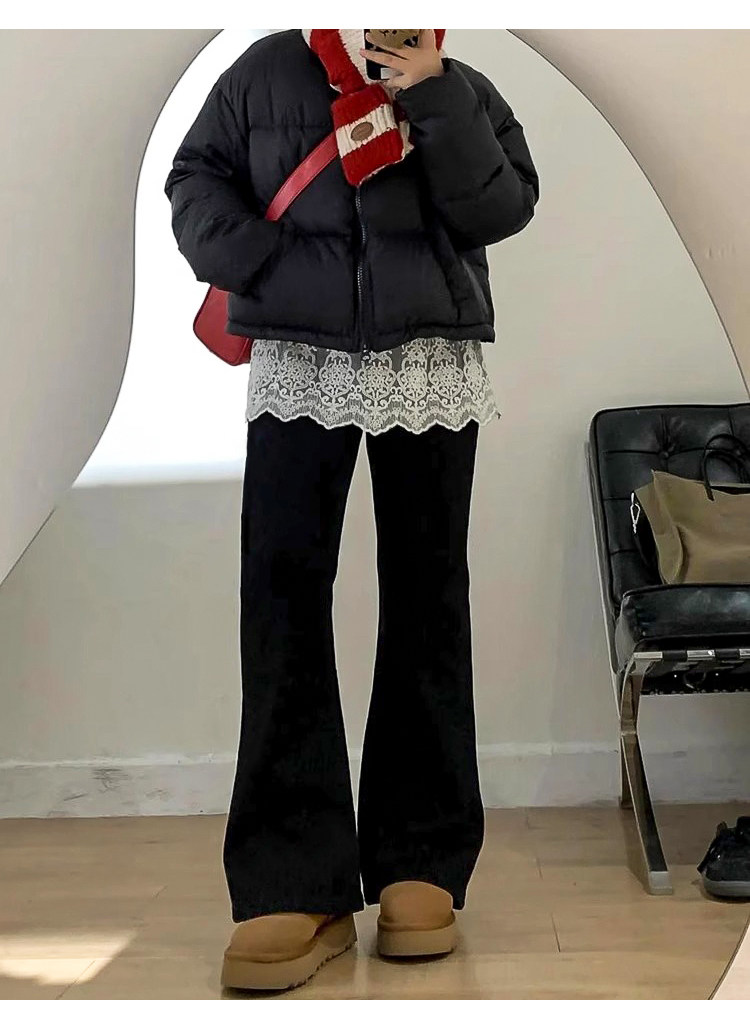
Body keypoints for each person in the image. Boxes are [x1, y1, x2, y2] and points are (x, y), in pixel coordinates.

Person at [164, 28, 539, 992]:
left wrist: (435, 94)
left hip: (429, 357)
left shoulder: (462, 83)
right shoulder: (263, 71)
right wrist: (266, 261)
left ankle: (422, 861)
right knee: (282, 600)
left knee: (427, 601)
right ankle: (296, 879)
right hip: (298, 357)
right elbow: (194, 179)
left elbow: (502, 206)